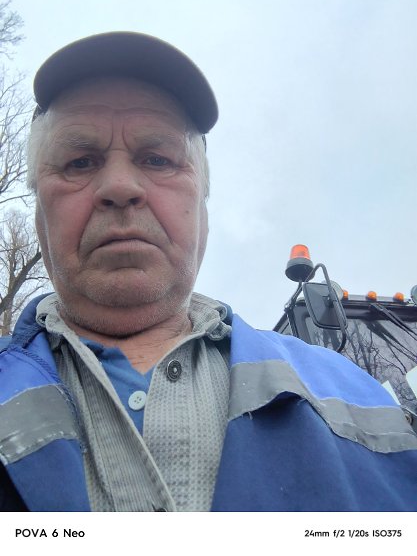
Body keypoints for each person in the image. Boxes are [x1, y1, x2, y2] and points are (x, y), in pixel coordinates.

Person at [0, 32, 416, 512]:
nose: (119, 185)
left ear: (202, 204)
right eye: (79, 161)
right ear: (39, 210)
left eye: (157, 159)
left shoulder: (362, 395)